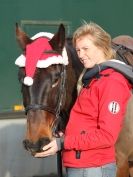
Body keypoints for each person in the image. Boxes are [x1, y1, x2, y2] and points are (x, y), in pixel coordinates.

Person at [35, 22, 133, 177]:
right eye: (78, 50)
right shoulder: (93, 80)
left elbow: (107, 136)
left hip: (93, 168)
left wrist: (63, 143)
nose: (80, 55)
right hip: (82, 166)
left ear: (101, 46)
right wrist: (65, 134)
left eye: (86, 49)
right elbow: (88, 124)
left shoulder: (111, 82)